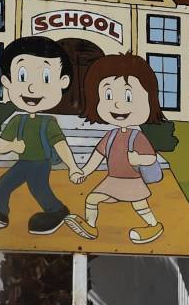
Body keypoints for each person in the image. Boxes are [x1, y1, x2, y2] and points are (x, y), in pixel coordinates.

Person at [0, 36, 95, 239]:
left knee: (38, 188)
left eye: (45, 77)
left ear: (63, 82)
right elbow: (0, 146)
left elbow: (60, 144)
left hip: (40, 163)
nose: (32, 88)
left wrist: (74, 167)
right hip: (24, 162)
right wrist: (13, 146)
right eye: (23, 76)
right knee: (5, 183)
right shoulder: (18, 121)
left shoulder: (48, 122)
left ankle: (56, 211)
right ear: (7, 81)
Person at [70, 54, 167, 244]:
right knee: (92, 199)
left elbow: (150, 158)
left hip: (131, 180)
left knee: (140, 205)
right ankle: (91, 226)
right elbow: (97, 156)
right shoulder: (111, 135)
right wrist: (84, 172)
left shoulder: (136, 136)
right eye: (108, 95)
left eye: (128, 96)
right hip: (112, 180)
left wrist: (139, 160)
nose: (117, 104)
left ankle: (153, 226)